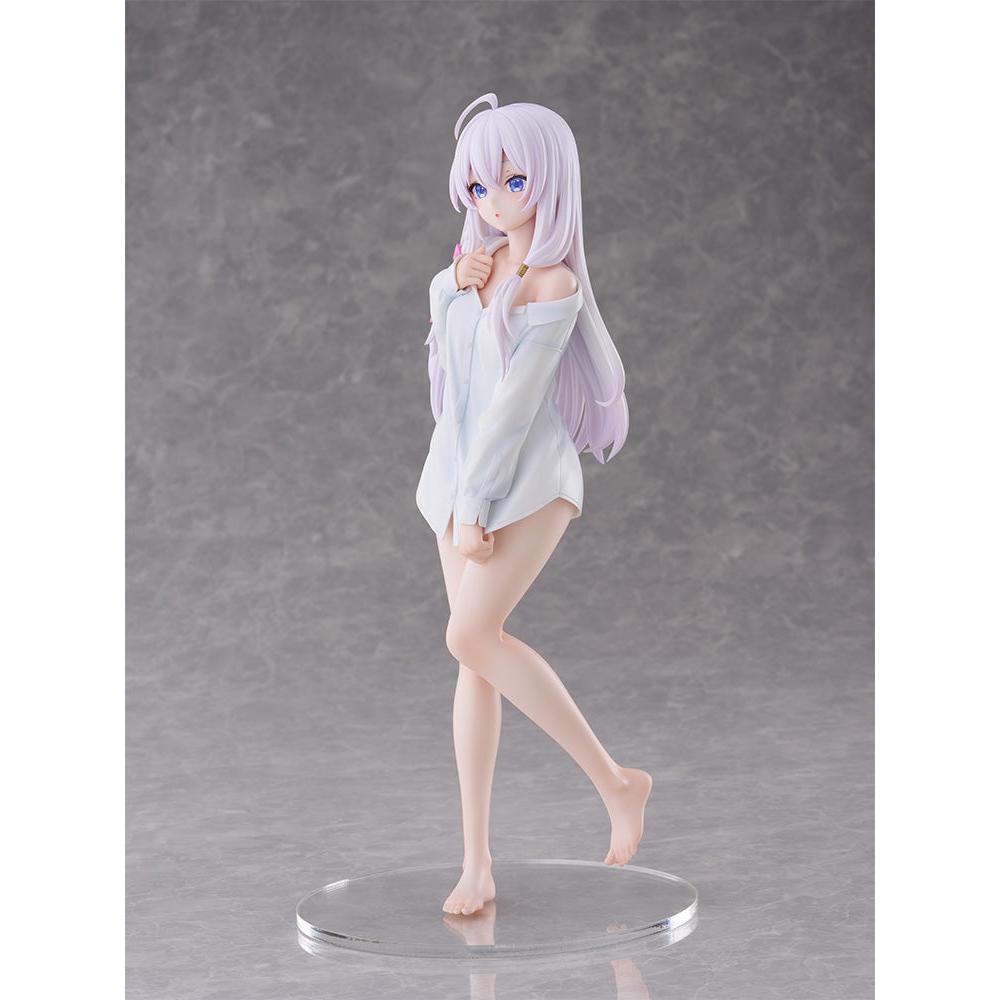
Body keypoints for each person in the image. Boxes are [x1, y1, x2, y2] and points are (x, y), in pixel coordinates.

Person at [415, 93, 652, 916]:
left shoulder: (552, 283)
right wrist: (450, 283)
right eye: (479, 187)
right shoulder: (475, 268)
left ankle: (615, 782)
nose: (495, 201)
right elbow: (452, 376)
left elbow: (515, 407)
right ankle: (476, 862)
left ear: (549, 181)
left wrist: (479, 505)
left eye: (513, 182)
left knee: (471, 633)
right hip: (455, 479)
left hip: (524, 484)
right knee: (472, 660)